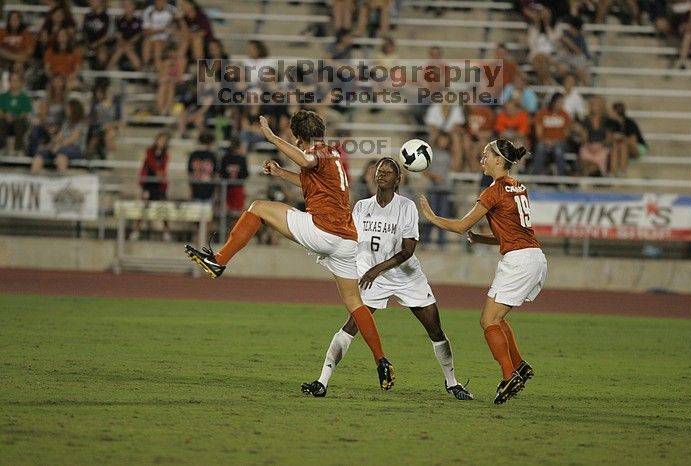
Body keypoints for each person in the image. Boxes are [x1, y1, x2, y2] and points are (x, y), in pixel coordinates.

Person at [184, 110, 396, 390]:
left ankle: (219, 260)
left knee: (258, 207)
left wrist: (271, 137)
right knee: (355, 302)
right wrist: (281, 173)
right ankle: (382, 361)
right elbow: (309, 179)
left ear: (298, 137)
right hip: (346, 240)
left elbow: (307, 160)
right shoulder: (331, 154)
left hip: (323, 229)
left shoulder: (316, 152)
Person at [301, 157, 473, 400]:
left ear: (398, 179)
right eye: (379, 170)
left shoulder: (406, 207)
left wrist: (376, 269)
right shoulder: (362, 207)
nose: (381, 174)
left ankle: (452, 382)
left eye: (388, 171)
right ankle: (322, 382)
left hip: (405, 276)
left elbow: (408, 250)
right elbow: (350, 238)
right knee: (351, 326)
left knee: (435, 329)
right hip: (373, 276)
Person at [419, 139, 547, 405]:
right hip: (533, 256)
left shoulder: (494, 191)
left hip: (519, 261)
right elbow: (513, 233)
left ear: (499, 160)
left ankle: (509, 375)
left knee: (488, 321)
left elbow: (460, 225)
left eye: (486, 156)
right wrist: (481, 239)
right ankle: (519, 366)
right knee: (497, 318)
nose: (482, 160)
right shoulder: (517, 187)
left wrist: (431, 217)